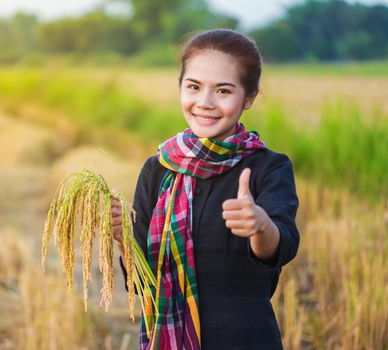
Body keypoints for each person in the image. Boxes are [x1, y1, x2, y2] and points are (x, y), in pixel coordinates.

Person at [111, 28, 299, 349]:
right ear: (181, 88)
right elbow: (142, 283)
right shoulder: (158, 168)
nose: (205, 102)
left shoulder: (268, 167)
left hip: (244, 339)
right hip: (166, 339)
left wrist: (260, 226)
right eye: (194, 87)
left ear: (249, 97)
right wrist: (122, 238)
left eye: (223, 91)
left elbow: (282, 246)